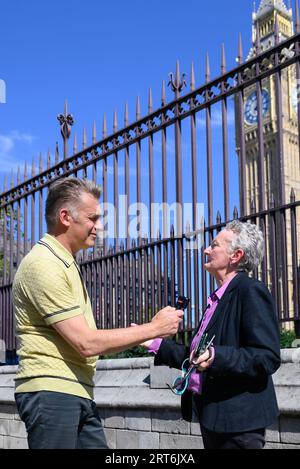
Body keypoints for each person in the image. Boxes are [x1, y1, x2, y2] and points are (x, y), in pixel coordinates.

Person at [12, 177, 184, 449]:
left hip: (75, 389)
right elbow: (86, 343)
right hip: (53, 391)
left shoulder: (65, 263)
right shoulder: (44, 264)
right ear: (65, 217)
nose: (100, 226)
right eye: (93, 218)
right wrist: (154, 329)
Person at [141, 221, 281, 449]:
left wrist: (217, 356)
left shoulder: (250, 290)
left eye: (214, 245)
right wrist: (153, 341)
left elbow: (267, 356)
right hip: (213, 417)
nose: (206, 250)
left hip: (239, 423)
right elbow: (197, 356)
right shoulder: (216, 299)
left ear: (236, 255)